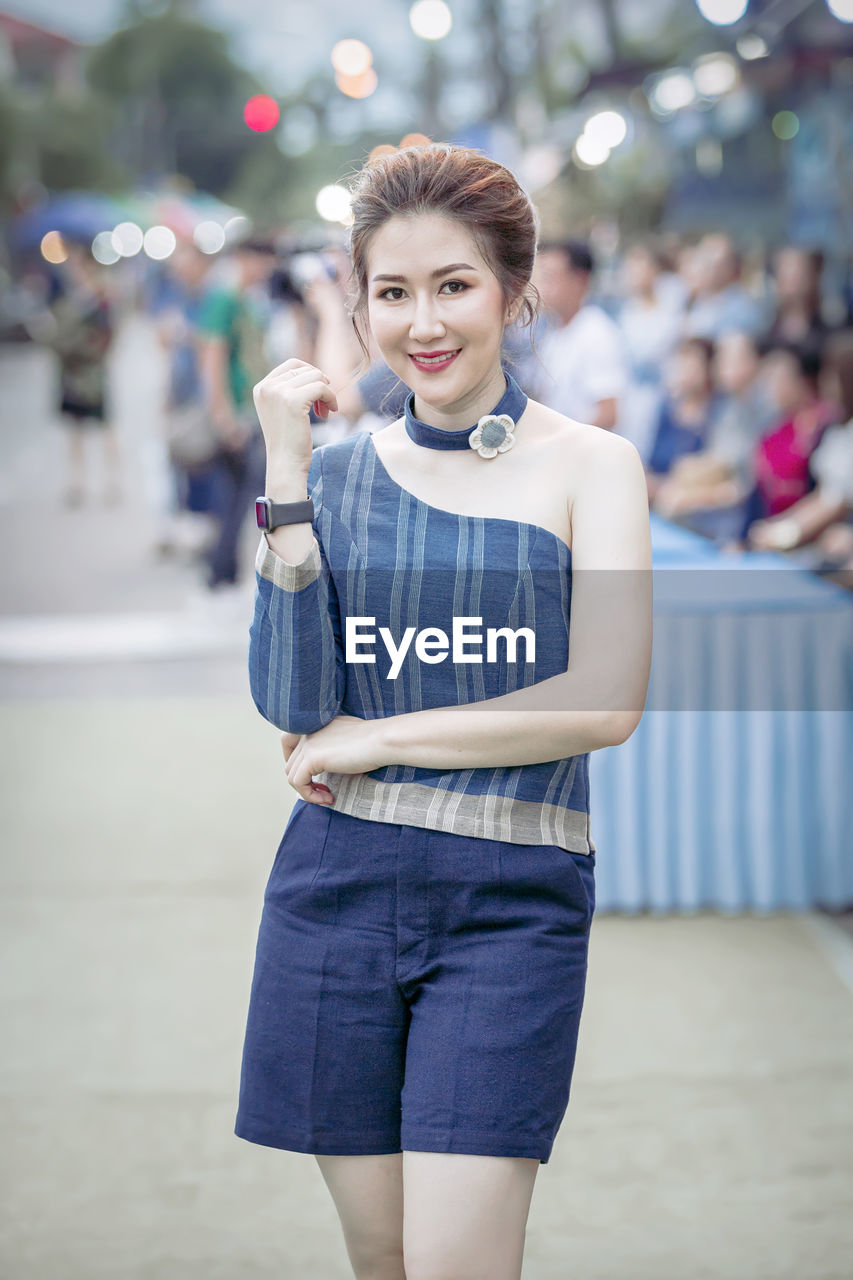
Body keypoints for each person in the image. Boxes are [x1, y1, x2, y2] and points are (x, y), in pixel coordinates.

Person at [235, 142, 652, 1279]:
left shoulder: (593, 466)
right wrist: (284, 471)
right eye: (393, 291)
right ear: (360, 300)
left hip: (509, 906)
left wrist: (379, 737)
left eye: (454, 285)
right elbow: (291, 701)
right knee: (385, 1262)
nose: (424, 322)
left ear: (514, 292)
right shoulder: (335, 473)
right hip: (334, 896)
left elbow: (605, 697)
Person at [196, 235, 278, 591]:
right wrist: (222, 415)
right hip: (238, 415)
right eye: (262, 260)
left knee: (238, 497)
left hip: (250, 412)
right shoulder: (225, 298)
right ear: (245, 258)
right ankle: (219, 572)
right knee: (235, 498)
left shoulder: (247, 299)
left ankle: (223, 571)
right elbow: (211, 356)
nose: (267, 269)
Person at [522, 238, 628, 430]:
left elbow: (608, 414)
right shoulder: (555, 331)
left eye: (550, 277)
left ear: (580, 280)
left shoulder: (596, 334)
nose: (542, 287)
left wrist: (561, 440)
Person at [46, 243, 121, 506]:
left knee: (103, 427)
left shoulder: (100, 300)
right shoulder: (69, 297)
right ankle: (78, 482)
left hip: (92, 371)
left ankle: (112, 481)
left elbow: (108, 336)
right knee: (75, 430)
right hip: (72, 370)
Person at [646, 337, 723, 503]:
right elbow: (653, 457)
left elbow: (712, 467)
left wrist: (668, 488)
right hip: (655, 487)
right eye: (683, 365)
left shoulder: (717, 413)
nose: (687, 372)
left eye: (693, 367)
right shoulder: (667, 407)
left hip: (690, 497)